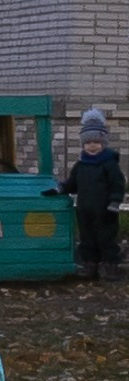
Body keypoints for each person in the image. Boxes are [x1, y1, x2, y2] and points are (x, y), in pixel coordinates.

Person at [68, 106, 124, 281]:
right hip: (85, 210)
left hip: (105, 211)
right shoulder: (81, 165)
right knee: (87, 238)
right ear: (83, 144)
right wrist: (61, 188)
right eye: (88, 143)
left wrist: (115, 201)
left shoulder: (109, 164)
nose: (92, 146)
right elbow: (73, 183)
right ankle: (89, 264)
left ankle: (109, 265)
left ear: (103, 143)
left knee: (106, 238)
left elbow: (118, 184)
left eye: (96, 142)